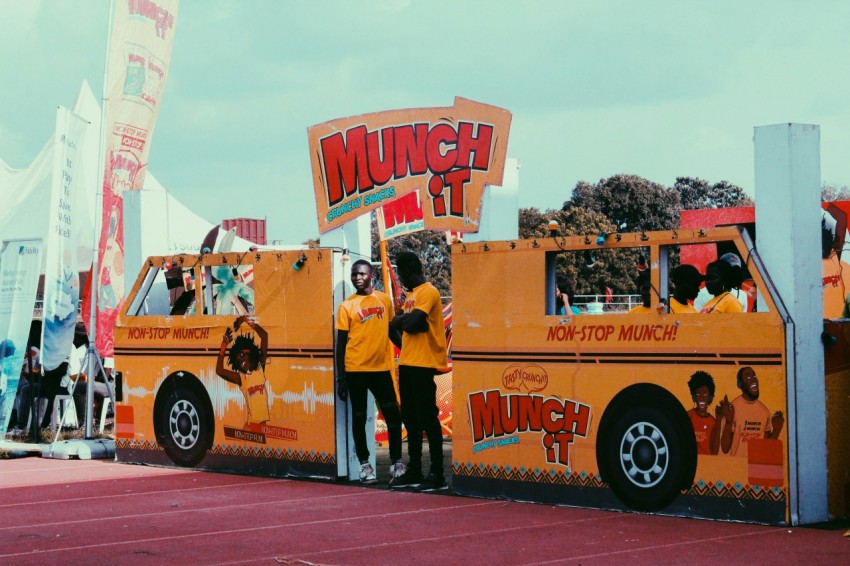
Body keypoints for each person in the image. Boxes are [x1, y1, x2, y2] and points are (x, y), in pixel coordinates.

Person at [335, 259, 405, 484]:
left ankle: (396, 464)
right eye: (354, 274)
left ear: (371, 275)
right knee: (359, 417)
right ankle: (365, 467)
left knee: (393, 416)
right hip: (355, 370)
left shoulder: (384, 300)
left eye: (361, 273)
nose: (357, 277)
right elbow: (341, 345)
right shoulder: (347, 306)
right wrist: (341, 378)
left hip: (381, 369)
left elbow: (391, 331)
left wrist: (407, 349)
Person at [389, 251, 448, 491]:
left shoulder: (428, 292)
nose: (401, 278)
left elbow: (411, 323)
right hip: (408, 362)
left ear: (407, 271)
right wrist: (405, 322)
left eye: (401, 273)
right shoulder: (411, 295)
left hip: (424, 364)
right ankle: (415, 469)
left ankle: (437, 473)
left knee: (427, 418)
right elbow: (397, 327)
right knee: (410, 420)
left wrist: (403, 321)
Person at [216, 315, 270, 427]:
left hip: (261, 426)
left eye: (241, 355)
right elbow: (220, 371)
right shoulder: (242, 378)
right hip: (252, 426)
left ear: (250, 351)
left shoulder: (260, 368)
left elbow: (264, 336)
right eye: (238, 361)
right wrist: (223, 347)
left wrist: (246, 319)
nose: (241, 361)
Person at [717, 366, 784, 457]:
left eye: (754, 376)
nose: (753, 380)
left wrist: (776, 430)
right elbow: (725, 448)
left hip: (757, 467)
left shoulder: (764, 411)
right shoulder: (732, 408)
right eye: (748, 377)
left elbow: (766, 449)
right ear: (740, 384)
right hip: (737, 466)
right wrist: (729, 422)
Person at [686, 371, 720, 455]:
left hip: (707, 463)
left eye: (705, 394)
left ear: (710, 398)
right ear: (694, 397)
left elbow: (714, 451)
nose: (701, 398)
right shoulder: (688, 416)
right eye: (698, 394)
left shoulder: (713, 422)